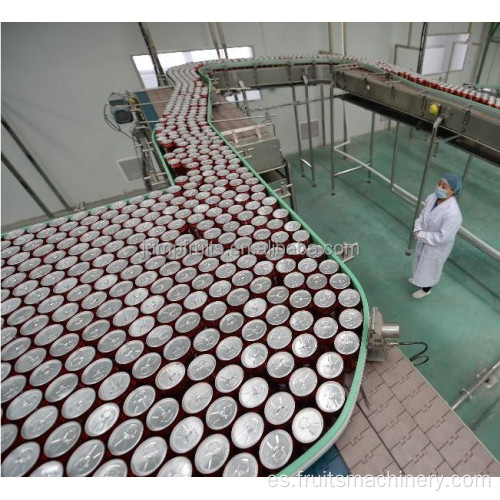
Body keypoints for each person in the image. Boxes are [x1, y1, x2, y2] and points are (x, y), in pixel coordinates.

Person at [409, 172, 463, 299]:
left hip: (436, 248)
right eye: (439, 184)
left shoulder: (453, 213)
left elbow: (443, 237)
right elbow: (422, 215)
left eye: (444, 187)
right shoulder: (432, 197)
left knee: (430, 268)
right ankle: (417, 278)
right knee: (419, 261)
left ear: (453, 191)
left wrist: (421, 234)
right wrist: (418, 229)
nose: (439, 188)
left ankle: (426, 288)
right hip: (423, 239)